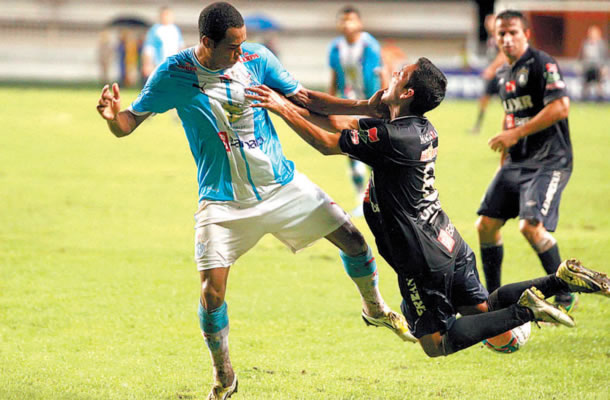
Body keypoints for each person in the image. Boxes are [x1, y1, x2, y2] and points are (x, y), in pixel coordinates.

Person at [95, 3, 411, 399]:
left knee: (354, 241)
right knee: (211, 293)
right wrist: (113, 117)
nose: (240, 52)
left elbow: (306, 99)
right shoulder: (173, 74)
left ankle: (374, 309)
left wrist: (365, 107)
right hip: (223, 202)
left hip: (281, 186)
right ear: (206, 42)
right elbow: (128, 123)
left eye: (243, 44)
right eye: (232, 47)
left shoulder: (257, 59)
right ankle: (224, 375)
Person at [245, 57, 610, 359]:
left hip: (420, 257)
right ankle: (561, 280)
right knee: (482, 310)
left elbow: (328, 142)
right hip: (449, 242)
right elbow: (338, 121)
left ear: (406, 93)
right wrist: (299, 101)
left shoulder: (390, 136)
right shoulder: (418, 127)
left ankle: (526, 311)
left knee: (436, 343)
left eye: (399, 74)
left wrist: (280, 107)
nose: (393, 73)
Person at [475, 10, 577, 310]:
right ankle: (494, 298)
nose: (507, 39)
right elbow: (511, 116)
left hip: (550, 160)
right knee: (485, 225)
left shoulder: (542, 63)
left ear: (526, 34)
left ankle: (564, 293)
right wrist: (504, 159)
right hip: (516, 162)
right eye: (501, 34)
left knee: (529, 227)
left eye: (513, 33)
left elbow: (561, 107)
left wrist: (516, 133)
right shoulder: (503, 74)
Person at [328, 5, 385, 216]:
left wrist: (383, 106)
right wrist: (329, 106)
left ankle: (381, 196)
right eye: (343, 20)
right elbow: (334, 78)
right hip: (348, 106)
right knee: (351, 151)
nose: (347, 24)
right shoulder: (335, 47)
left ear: (359, 23)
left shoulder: (370, 46)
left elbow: (381, 75)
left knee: (375, 153)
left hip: (370, 107)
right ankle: (361, 200)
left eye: (351, 20)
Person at [470, 14, 507, 134]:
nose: (488, 24)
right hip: (495, 75)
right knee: (484, 99)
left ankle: (510, 127)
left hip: (502, 74)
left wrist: (491, 68)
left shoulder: (500, 36)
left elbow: (503, 55)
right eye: (487, 22)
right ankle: (477, 126)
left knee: (508, 102)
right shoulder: (491, 38)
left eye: (490, 22)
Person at [141, 5, 185, 83]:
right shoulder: (155, 30)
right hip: (159, 64)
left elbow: (181, 47)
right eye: (165, 15)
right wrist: (147, 64)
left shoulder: (175, 29)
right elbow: (148, 49)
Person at [579, 25, 607, 101]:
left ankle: (600, 100)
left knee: (599, 84)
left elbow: (605, 57)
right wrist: (580, 66)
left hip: (598, 67)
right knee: (585, 84)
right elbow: (581, 56)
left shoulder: (601, 44)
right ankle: (584, 99)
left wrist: (604, 67)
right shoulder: (585, 43)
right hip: (588, 67)